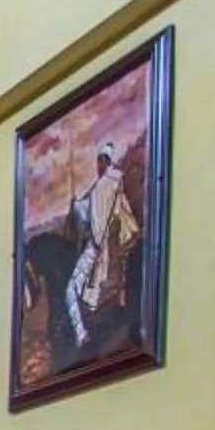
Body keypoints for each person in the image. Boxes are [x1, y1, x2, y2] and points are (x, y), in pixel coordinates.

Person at [65, 137, 140, 349]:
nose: (98, 165)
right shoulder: (113, 187)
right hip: (108, 248)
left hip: (99, 250)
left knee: (70, 290)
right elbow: (125, 220)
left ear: (106, 161)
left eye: (101, 160)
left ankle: (81, 333)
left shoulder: (103, 188)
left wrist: (76, 206)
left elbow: (87, 217)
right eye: (98, 161)